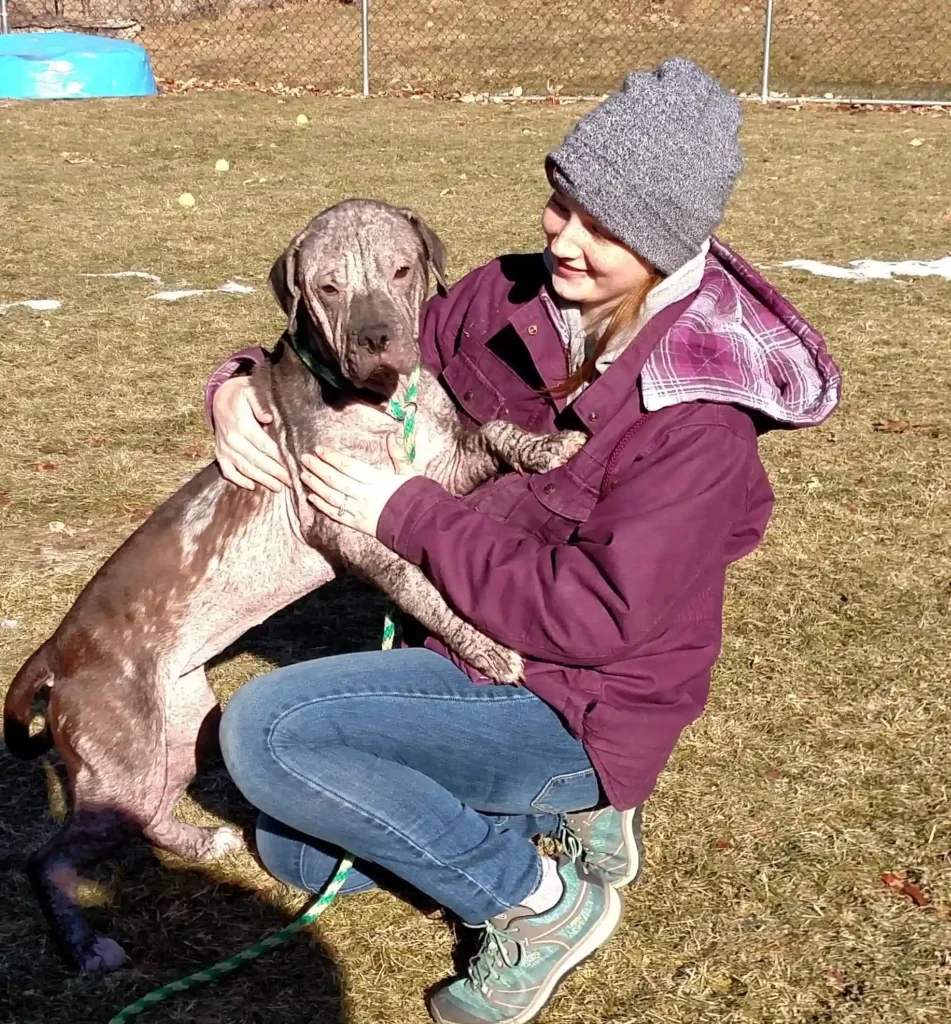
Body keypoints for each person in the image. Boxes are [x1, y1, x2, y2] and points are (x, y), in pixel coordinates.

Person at [207, 58, 841, 1024]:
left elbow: (589, 617)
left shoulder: (699, 422)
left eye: (607, 226)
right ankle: (558, 817)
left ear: (670, 246)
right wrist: (238, 383)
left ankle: (538, 902)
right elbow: (351, 338)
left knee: (267, 733)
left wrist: (401, 510)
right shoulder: (502, 296)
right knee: (289, 842)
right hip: (465, 645)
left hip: (575, 698)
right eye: (561, 204)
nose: (567, 241)